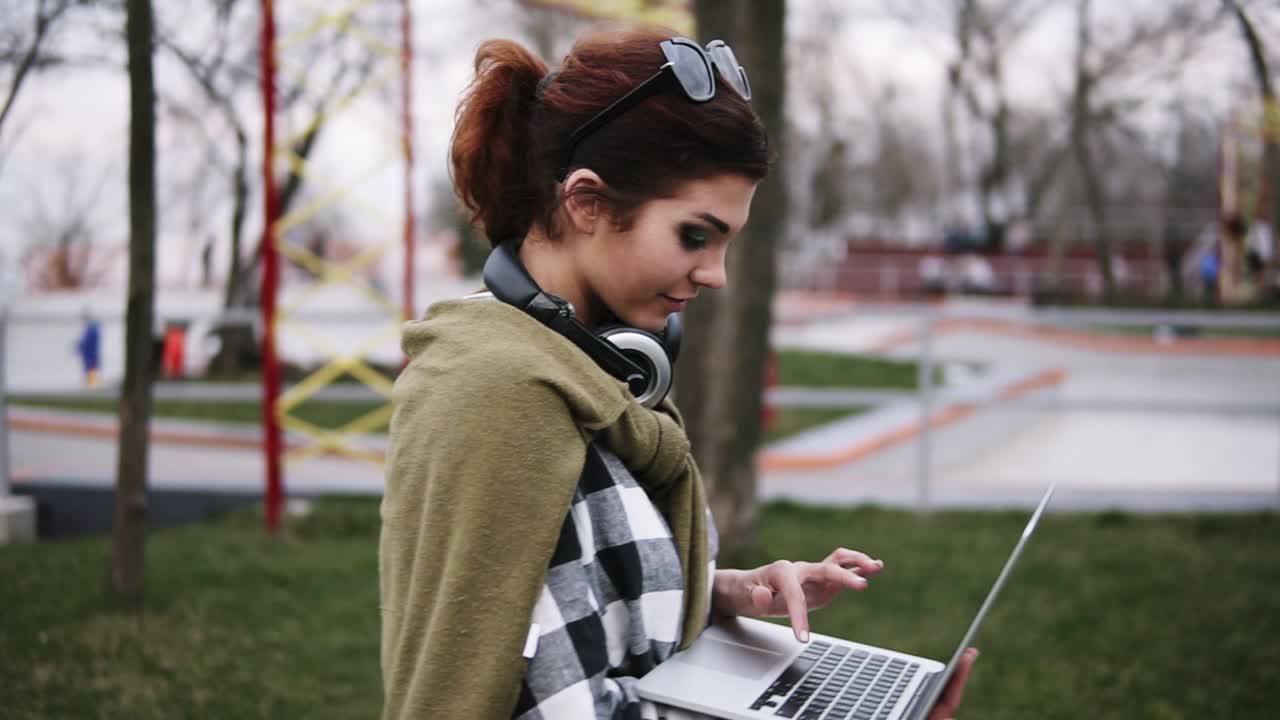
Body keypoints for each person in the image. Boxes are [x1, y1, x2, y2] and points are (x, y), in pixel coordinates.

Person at [378, 28, 977, 720]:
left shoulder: (588, 368)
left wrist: (720, 593)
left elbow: (578, 597)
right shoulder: (501, 401)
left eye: (727, 240)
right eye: (696, 235)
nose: (715, 275)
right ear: (587, 203)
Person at [74, 309, 101, 388]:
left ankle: (92, 385)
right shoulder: (91, 328)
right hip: (89, 355)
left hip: (91, 355)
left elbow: (87, 342)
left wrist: (80, 347)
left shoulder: (92, 329)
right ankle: (91, 384)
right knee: (90, 369)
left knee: (91, 369)